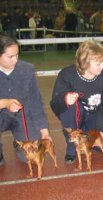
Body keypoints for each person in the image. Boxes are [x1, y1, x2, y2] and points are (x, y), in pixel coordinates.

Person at [50, 39, 103, 163]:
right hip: (75, 116)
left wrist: (98, 130)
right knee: (71, 108)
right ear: (85, 63)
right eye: (99, 63)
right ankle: (72, 147)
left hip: (97, 115)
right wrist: (65, 99)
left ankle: (86, 134)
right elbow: (55, 104)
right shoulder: (66, 75)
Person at [0, 33, 51, 165]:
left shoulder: (27, 70)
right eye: (10, 56)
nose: (15, 60)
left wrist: (44, 131)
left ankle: (18, 141)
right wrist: (5, 103)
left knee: (29, 156)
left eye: (17, 55)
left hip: (21, 116)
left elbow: (35, 101)